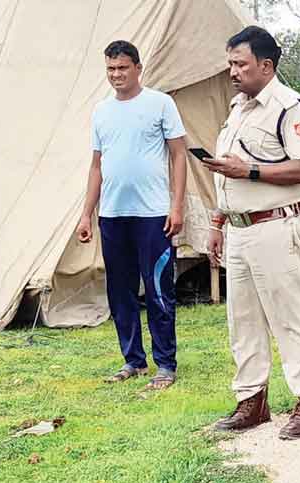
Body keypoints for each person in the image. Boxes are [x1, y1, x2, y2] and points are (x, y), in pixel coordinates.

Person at [203, 26, 300, 440]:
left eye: (240, 63)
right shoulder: (238, 108)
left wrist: (250, 170)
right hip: (239, 228)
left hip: (275, 225)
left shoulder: (291, 109)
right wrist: (219, 221)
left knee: (289, 318)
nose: (232, 72)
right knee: (243, 320)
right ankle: (251, 400)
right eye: (230, 64)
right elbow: (228, 172)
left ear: (266, 64)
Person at [76, 40, 187, 390]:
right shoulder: (101, 111)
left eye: (122, 68)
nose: (116, 75)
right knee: (120, 292)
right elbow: (96, 165)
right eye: (110, 69)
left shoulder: (160, 104)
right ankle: (133, 361)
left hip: (153, 214)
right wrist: (86, 214)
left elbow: (179, 155)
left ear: (138, 68)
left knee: (157, 289)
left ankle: (165, 364)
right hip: (112, 215)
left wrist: (177, 206)